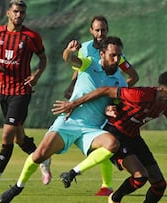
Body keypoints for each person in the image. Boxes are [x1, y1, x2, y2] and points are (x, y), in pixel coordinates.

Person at [0, 36, 127, 203]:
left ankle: (73, 172)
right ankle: (17, 187)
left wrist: (112, 109)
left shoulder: (121, 81)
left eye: (119, 55)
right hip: (69, 121)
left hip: (92, 129)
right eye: (113, 55)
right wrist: (68, 51)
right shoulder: (89, 64)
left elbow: (117, 106)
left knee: (112, 144)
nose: (116, 59)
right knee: (39, 156)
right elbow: (68, 59)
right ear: (102, 54)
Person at [52, 70, 167, 203]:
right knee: (140, 177)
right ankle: (115, 199)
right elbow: (105, 90)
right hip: (115, 132)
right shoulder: (140, 95)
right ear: (162, 89)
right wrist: (74, 104)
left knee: (159, 185)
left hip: (134, 137)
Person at [0, 0, 50, 195]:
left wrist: (36, 76)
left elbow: (43, 59)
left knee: (7, 134)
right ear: (8, 13)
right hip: (2, 91)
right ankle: (42, 158)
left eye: (22, 12)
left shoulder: (31, 36)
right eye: (16, 11)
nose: (19, 15)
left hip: (21, 91)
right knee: (19, 139)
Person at [64, 15, 139, 196]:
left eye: (103, 30)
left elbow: (134, 76)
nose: (100, 33)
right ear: (91, 31)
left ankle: (107, 185)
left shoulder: (115, 53)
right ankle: (107, 184)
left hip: (104, 105)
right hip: (84, 101)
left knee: (103, 143)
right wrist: (71, 88)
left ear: (107, 30)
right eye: (97, 30)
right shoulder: (84, 48)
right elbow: (79, 70)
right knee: (96, 144)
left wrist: (116, 94)